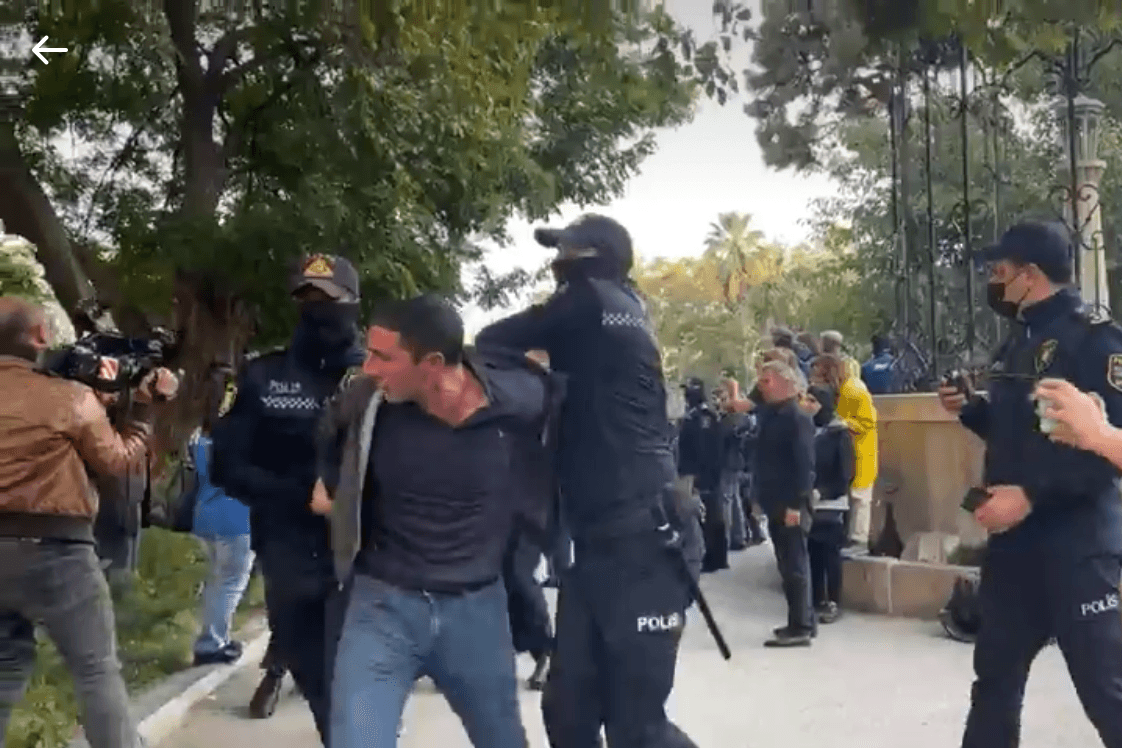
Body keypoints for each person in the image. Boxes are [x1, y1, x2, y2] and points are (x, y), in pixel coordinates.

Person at [475, 214, 700, 748]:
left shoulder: (590, 300)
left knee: (637, 725)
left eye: (565, 253)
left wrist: (535, 368)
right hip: (595, 543)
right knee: (568, 713)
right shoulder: (622, 309)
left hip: (646, 539)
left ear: (593, 260)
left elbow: (489, 339)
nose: (556, 265)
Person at [314, 294, 561, 748]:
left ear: (431, 364)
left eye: (383, 356)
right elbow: (329, 430)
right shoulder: (368, 399)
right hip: (381, 608)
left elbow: (567, 411)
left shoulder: (520, 402)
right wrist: (331, 485)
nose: (369, 366)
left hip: (477, 610)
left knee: (503, 740)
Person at [936, 220, 1122, 748]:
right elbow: (1018, 433)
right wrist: (972, 410)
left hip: (1077, 548)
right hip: (1016, 552)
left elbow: (1106, 451)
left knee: (1107, 693)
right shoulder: (1018, 344)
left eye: (1000, 272)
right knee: (994, 683)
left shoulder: (1095, 340)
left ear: (1030, 275)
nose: (993, 284)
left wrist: (1031, 495)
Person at [0, 296, 178, 748]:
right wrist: (142, 409)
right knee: (96, 670)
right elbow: (120, 464)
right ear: (40, 337)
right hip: (56, 552)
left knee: (2, 669)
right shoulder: (68, 398)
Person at [211, 254, 365, 738]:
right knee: (320, 683)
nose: (316, 310)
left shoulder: (382, 378)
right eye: (307, 299)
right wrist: (300, 495)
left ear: (353, 305)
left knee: (363, 686)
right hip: (290, 552)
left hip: (369, 553)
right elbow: (227, 466)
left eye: (328, 300)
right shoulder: (263, 376)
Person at [190, 368, 255, 666]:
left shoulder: (201, 435)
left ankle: (213, 637)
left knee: (216, 581)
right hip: (237, 518)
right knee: (230, 583)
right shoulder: (248, 433)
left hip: (204, 516)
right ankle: (212, 643)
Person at [753, 360, 816, 647]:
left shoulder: (796, 417)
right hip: (775, 500)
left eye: (766, 381)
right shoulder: (774, 414)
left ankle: (801, 626)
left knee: (794, 564)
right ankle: (802, 620)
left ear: (784, 383)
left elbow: (804, 466)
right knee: (787, 563)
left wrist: (796, 505)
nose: (761, 387)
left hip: (791, 503)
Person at [810, 354, 878, 552]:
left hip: (860, 449)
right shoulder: (843, 390)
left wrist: (845, 423)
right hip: (850, 449)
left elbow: (868, 422)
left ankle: (859, 539)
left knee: (860, 498)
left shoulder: (855, 390)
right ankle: (852, 537)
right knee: (853, 497)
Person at [801, 385, 855, 624]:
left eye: (813, 400)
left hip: (832, 505)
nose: (807, 405)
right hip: (809, 506)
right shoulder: (808, 430)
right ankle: (815, 600)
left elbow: (846, 473)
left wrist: (822, 492)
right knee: (812, 555)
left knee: (830, 556)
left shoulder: (838, 434)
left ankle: (833, 600)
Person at [677, 378, 728, 573]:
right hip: (706, 471)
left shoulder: (701, 417)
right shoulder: (700, 415)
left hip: (702, 472)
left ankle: (713, 557)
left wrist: (694, 474)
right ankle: (716, 556)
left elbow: (701, 449)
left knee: (707, 514)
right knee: (712, 512)